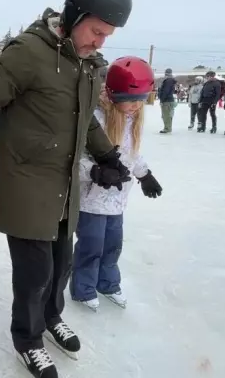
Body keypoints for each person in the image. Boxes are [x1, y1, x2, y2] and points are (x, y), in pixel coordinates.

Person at [0, 0, 134, 378]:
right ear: (74, 15)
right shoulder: (28, 52)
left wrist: (109, 156)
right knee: (34, 273)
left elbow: (85, 123)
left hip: (64, 187)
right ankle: (27, 339)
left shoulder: (87, 64)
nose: (101, 41)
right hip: (26, 185)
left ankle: (51, 316)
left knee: (61, 264)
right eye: (96, 31)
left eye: (107, 35)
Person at [71, 57, 160, 313]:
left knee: (112, 247)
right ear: (112, 94)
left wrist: (145, 175)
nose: (136, 106)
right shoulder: (95, 119)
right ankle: (83, 288)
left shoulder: (130, 119)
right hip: (91, 201)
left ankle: (108, 284)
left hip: (117, 201)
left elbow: (131, 154)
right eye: (130, 100)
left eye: (141, 100)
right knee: (91, 247)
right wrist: (96, 172)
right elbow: (75, 160)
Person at [157, 68, 177, 134]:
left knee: (166, 115)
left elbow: (166, 91)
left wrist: (162, 100)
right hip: (167, 100)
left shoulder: (168, 80)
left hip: (167, 100)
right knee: (165, 115)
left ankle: (167, 128)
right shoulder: (168, 80)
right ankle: (167, 127)